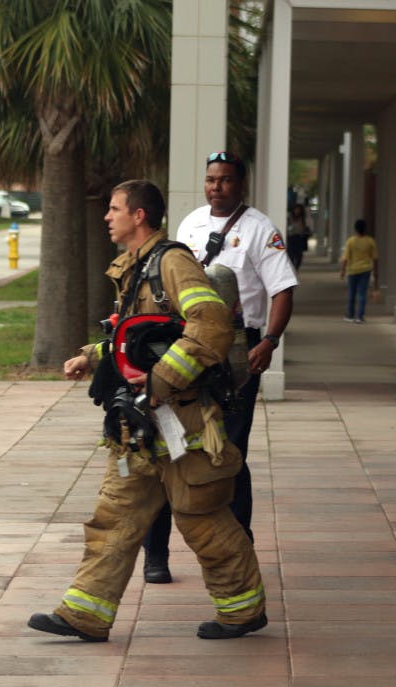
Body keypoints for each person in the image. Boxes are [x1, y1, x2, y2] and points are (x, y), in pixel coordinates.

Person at [27, 179, 266, 642]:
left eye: (114, 208)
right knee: (114, 516)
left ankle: (242, 610)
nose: (106, 216)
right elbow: (138, 337)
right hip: (142, 425)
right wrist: (92, 356)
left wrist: (161, 381)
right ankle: (84, 614)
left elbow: (211, 325)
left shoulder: (172, 263)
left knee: (203, 519)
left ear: (139, 216)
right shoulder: (135, 269)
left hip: (185, 423)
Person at [141, 151, 298, 584]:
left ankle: (239, 542)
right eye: (211, 179)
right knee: (165, 446)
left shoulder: (260, 229)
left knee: (230, 450)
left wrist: (269, 341)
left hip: (237, 351)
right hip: (187, 345)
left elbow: (282, 289)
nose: (216, 187)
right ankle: (156, 554)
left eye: (225, 180)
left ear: (240, 184)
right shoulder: (189, 224)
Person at [339, 219, 378, 323]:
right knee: (362, 293)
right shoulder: (370, 241)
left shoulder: (351, 241)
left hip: (353, 270)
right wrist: (376, 271)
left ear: (355, 229)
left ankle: (350, 315)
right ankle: (360, 316)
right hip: (365, 270)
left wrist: (342, 271)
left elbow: (345, 258)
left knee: (352, 293)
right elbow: (375, 258)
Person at [286, 202, 311, 269]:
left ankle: (296, 268)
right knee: (291, 254)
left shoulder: (303, 219)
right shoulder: (289, 217)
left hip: (299, 238)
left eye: (299, 209)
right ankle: (292, 268)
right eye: (296, 209)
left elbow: (307, 227)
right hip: (291, 238)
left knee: (299, 256)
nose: (297, 211)